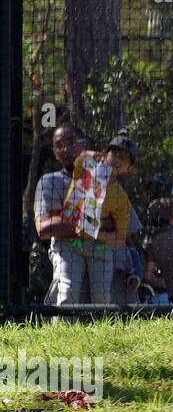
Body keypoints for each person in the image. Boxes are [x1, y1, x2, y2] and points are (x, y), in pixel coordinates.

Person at [66, 132, 138, 304]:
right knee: (67, 290)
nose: (119, 159)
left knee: (102, 297)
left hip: (99, 247)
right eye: (116, 153)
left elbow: (120, 237)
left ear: (129, 168)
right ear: (106, 153)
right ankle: (59, 327)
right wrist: (90, 154)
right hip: (69, 242)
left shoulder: (121, 198)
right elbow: (78, 160)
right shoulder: (87, 169)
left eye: (126, 158)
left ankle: (101, 328)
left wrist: (96, 233)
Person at [34, 123, 89, 305]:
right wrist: (93, 223)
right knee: (67, 295)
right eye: (59, 145)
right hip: (66, 252)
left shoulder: (103, 180)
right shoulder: (49, 182)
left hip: (104, 254)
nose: (66, 149)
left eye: (71, 142)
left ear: (84, 144)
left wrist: (65, 220)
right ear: (54, 151)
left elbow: (120, 226)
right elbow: (44, 228)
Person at [144, 197, 173, 304]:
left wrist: (166, 283)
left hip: (172, 295)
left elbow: (149, 275)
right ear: (170, 217)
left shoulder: (153, 240)